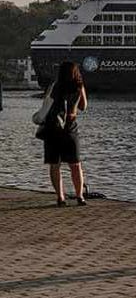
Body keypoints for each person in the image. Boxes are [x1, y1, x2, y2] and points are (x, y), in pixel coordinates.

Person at [45, 61, 88, 207]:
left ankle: (60, 197)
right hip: (70, 127)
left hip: (53, 127)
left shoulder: (55, 86)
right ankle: (80, 196)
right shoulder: (78, 86)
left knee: (55, 164)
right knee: (75, 164)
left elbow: (47, 105)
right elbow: (84, 106)